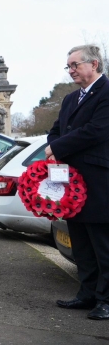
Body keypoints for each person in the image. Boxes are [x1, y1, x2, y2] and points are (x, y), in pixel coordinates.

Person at [46, 44, 109, 321]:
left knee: (102, 245)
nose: (70, 70)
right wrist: (53, 146)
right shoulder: (71, 99)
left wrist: (57, 148)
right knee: (80, 243)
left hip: (98, 181)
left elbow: (95, 131)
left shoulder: (107, 92)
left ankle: (105, 300)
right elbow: (56, 131)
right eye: (68, 66)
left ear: (93, 64)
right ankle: (86, 294)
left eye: (75, 65)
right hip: (71, 183)